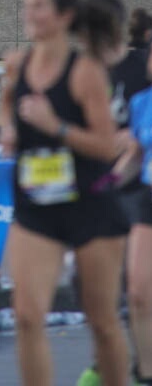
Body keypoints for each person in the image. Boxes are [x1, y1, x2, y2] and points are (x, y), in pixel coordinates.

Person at [0, 0, 129, 386]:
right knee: (26, 316)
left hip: (89, 205)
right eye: (27, 5)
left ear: (64, 16)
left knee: (102, 322)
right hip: (36, 205)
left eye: (39, 6)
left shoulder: (84, 71)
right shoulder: (16, 64)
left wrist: (55, 127)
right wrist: (8, 131)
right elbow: (6, 107)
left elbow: (108, 146)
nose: (30, 14)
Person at [74, 0, 152, 386]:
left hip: (139, 192)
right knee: (100, 288)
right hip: (105, 186)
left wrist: (128, 138)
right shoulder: (81, 73)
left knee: (137, 287)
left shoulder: (138, 68)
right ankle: (108, 363)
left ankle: (140, 366)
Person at [126, 79, 152, 385]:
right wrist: (100, 190)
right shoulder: (141, 102)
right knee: (139, 291)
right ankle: (146, 374)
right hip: (148, 199)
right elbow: (134, 156)